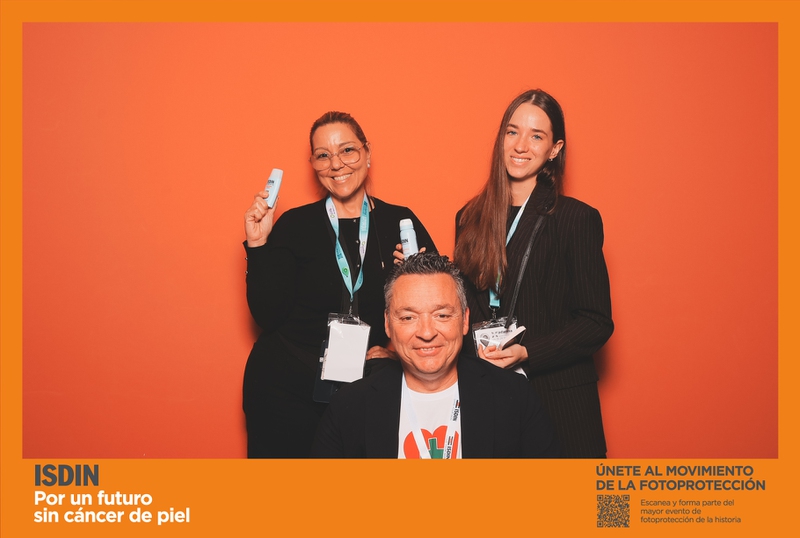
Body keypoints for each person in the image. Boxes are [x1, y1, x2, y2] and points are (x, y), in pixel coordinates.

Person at [242, 111, 436, 458]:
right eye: (323, 155)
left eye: (347, 150)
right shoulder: (294, 224)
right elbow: (266, 315)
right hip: (285, 389)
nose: (336, 164)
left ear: (367, 153)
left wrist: (397, 353)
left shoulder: (400, 223)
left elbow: (437, 310)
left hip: (366, 388)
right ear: (313, 165)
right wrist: (258, 245)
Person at [453, 89, 614, 458]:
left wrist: (528, 351)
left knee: (578, 498)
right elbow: (466, 308)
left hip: (560, 401)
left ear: (554, 149)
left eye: (536, 136)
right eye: (512, 132)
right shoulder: (469, 217)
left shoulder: (576, 218)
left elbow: (596, 322)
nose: (521, 145)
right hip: (490, 395)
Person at [312, 253, 561, 458]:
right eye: (408, 317)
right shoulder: (349, 407)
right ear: (388, 324)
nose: (427, 333)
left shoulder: (514, 396)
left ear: (465, 320)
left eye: (442, 315)